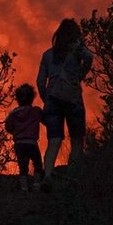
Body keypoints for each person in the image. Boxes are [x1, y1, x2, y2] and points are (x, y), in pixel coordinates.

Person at [36, 19, 94, 189]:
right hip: (73, 98)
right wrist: (80, 75)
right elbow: (90, 57)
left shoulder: (47, 55)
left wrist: (46, 98)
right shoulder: (76, 51)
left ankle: (47, 176)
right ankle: (73, 175)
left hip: (52, 99)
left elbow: (40, 82)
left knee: (54, 140)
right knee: (77, 139)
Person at [5, 83, 44, 193]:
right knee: (37, 164)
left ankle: (24, 188)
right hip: (32, 143)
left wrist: (15, 131)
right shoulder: (36, 111)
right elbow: (44, 120)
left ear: (17, 99)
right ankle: (36, 185)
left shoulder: (13, 113)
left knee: (23, 166)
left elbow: (8, 127)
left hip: (19, 144)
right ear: (32, 98)